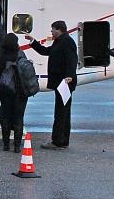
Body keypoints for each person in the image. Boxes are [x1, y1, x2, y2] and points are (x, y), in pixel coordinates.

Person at [25, 20, 77, 150]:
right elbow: (45, 51)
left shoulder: (67, 42)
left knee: (61, 112)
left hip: (64, 82)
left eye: (52, 29)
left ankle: (57, 140)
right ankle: (63, 139)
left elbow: (72, 59)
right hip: (61, 82)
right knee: (63, 111)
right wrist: (33, 42)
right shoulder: (59, 41)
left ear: (59, 29)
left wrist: (69, 75)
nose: (51, 32)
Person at [0, 33, 30, 151]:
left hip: (5, 89)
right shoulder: (21, 54)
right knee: (19, 117)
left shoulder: (0, 56)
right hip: (21, 90)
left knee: (5, 116)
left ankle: (6, 145)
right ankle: (17, 147)